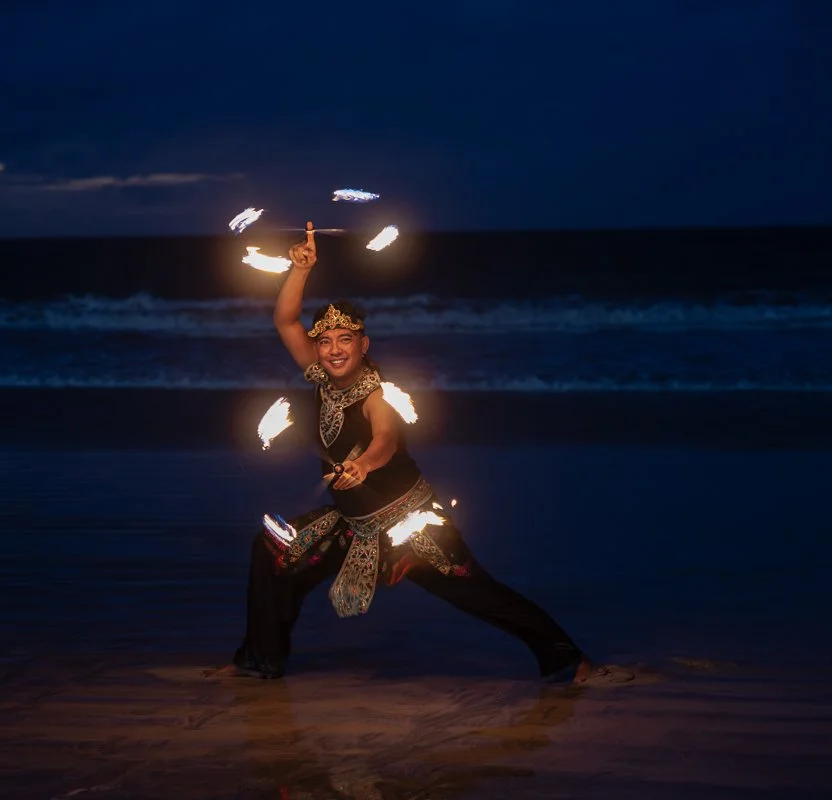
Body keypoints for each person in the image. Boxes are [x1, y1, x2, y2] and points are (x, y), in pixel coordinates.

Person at [209, 224, 601, 685]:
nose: (334, 349)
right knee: (275, 551)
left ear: (363, 345)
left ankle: (570, 660)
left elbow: (386, 440)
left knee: (474, 590)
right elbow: (285, 322)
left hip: (408, 524)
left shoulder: (378, 394)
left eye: (345, 340)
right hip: (352, 528)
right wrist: (300, 269)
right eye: (326, 341)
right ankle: (259, 661)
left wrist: (364, 464)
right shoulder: (319, 376)